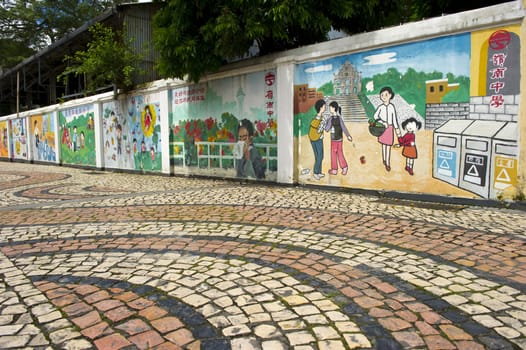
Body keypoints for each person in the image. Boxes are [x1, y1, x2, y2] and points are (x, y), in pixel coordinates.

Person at [373, 86, 401, 172]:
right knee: (383, 145)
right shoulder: (380, 107)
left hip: (390, 129)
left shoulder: (392, 107)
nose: (384, 97)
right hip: (382, 128)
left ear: (390, 95)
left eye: (386, 94)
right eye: (382, 95)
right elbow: (375, 116)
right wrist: (382, 122)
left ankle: (387, 163)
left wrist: (398, 132)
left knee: (388, 146)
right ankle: (384, 159)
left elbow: (394, 120)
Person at [325, 101, 352, 175]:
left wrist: (326, 122)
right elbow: (343, 127)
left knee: (335, 153)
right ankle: (343, 168)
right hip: (338, 138)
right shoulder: (336, 118)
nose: (329, 109)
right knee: (338, 153)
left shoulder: (332, 119)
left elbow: (327, 129)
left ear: (334, 108)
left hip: (335, 139)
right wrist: (348, 136)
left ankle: (336, 169)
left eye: (330, 107)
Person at [308, 99, 327, 180]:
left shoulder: (321, 117)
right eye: (324, 106)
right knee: (320, 156)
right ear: (320, 107)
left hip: (317, 138)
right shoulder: (317, 118)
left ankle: (318, 172)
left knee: (318, 156)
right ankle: (316, 172)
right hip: (316, 138)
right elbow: (314, 125)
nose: (325, 108)